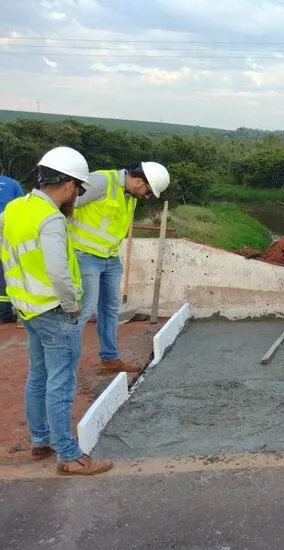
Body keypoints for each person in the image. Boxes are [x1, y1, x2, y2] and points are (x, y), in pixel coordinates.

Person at [0, 146, 112, 475]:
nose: (77, 195)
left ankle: (40, 440)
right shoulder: (50, 218)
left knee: (38, 375)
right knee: (61, 382)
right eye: (78, 188)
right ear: (67, 185)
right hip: (53, 310)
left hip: (27, 308)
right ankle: (68, 455)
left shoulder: (16, 209)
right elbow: (58, 271)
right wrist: (72, 305)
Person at [71, 162, 170, 374]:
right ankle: (64, 362)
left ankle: (110, 360)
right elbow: (66, 204)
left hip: (110, 257)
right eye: (148, 191)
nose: (147, 196)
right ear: (139, 180)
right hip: (85, 255)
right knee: (84, 309)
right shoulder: (100, 181)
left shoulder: (128, 195)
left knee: (110, 309)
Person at [0, 162, 26, 323]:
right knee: (5, 271)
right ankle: (4, 313)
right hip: (6, 233)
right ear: (2, 170)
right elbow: (23, 207)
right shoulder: (13, 184)